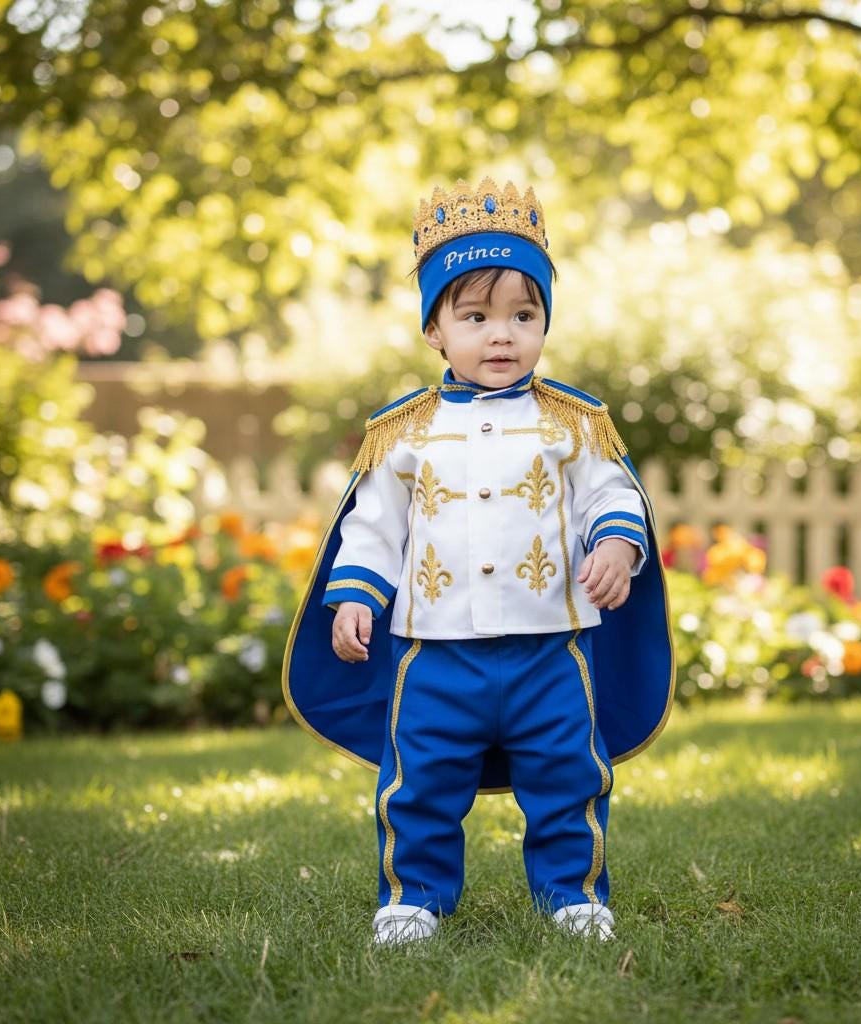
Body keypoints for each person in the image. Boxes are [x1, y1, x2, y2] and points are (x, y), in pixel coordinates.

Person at [283, 176, 675, 947]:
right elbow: (373, 529)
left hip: (550, 650)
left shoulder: (574, 420)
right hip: (434, 654)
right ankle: (413, 897)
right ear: (434, 328)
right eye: (476, 317)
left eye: (523, 316)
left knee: (569, 775)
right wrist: (355, 597)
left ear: (544, 324)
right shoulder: (404, 433)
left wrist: (617, 544)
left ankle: (573, 894)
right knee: (419, 782)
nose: (502, 335)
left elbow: (610, 494)